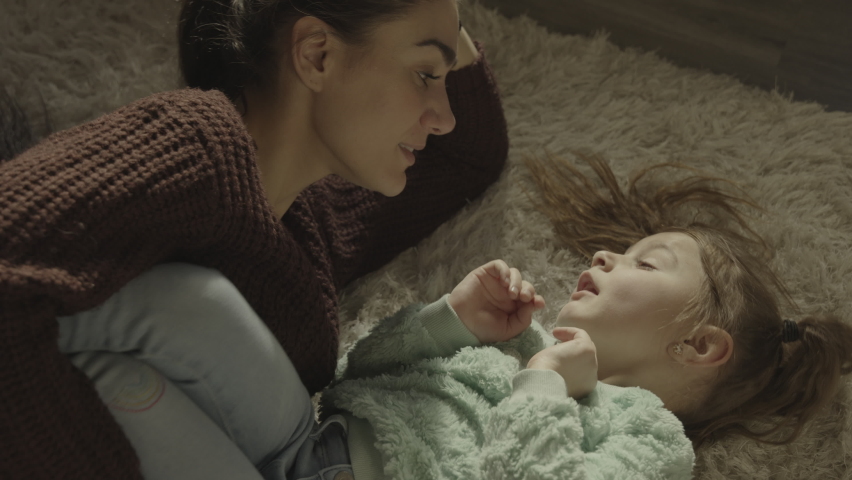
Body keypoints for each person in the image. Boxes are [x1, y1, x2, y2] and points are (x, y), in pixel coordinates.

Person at [60, 156, 852, 479]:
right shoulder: (525, 334)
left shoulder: (648, 443)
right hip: (304, 437)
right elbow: (358, 376)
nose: (608, 259)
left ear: (698, 344)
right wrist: (453, 320)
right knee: (184, 298)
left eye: (644, 263)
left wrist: (545, 385)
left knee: (115, 382)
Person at [0, 0, 509, 477]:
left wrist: (441, 27)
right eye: (424, 75)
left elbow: (468, 153)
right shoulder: (194, 143)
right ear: (317, 55)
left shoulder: (310, 214)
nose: (443, 117)